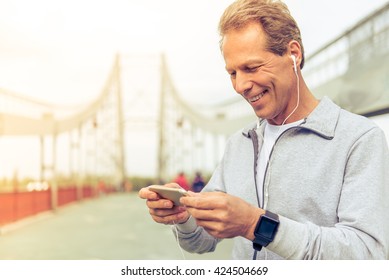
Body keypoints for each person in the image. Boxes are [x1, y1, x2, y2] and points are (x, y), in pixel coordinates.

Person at [139, 0, 389, 259]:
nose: (240, 86)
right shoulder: (239, 144)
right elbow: (201, 241)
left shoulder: (359, 139)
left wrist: (255, 224)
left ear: (294, 54)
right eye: (233, 73)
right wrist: (183, 218)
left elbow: (368, 254)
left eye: (251, 68)